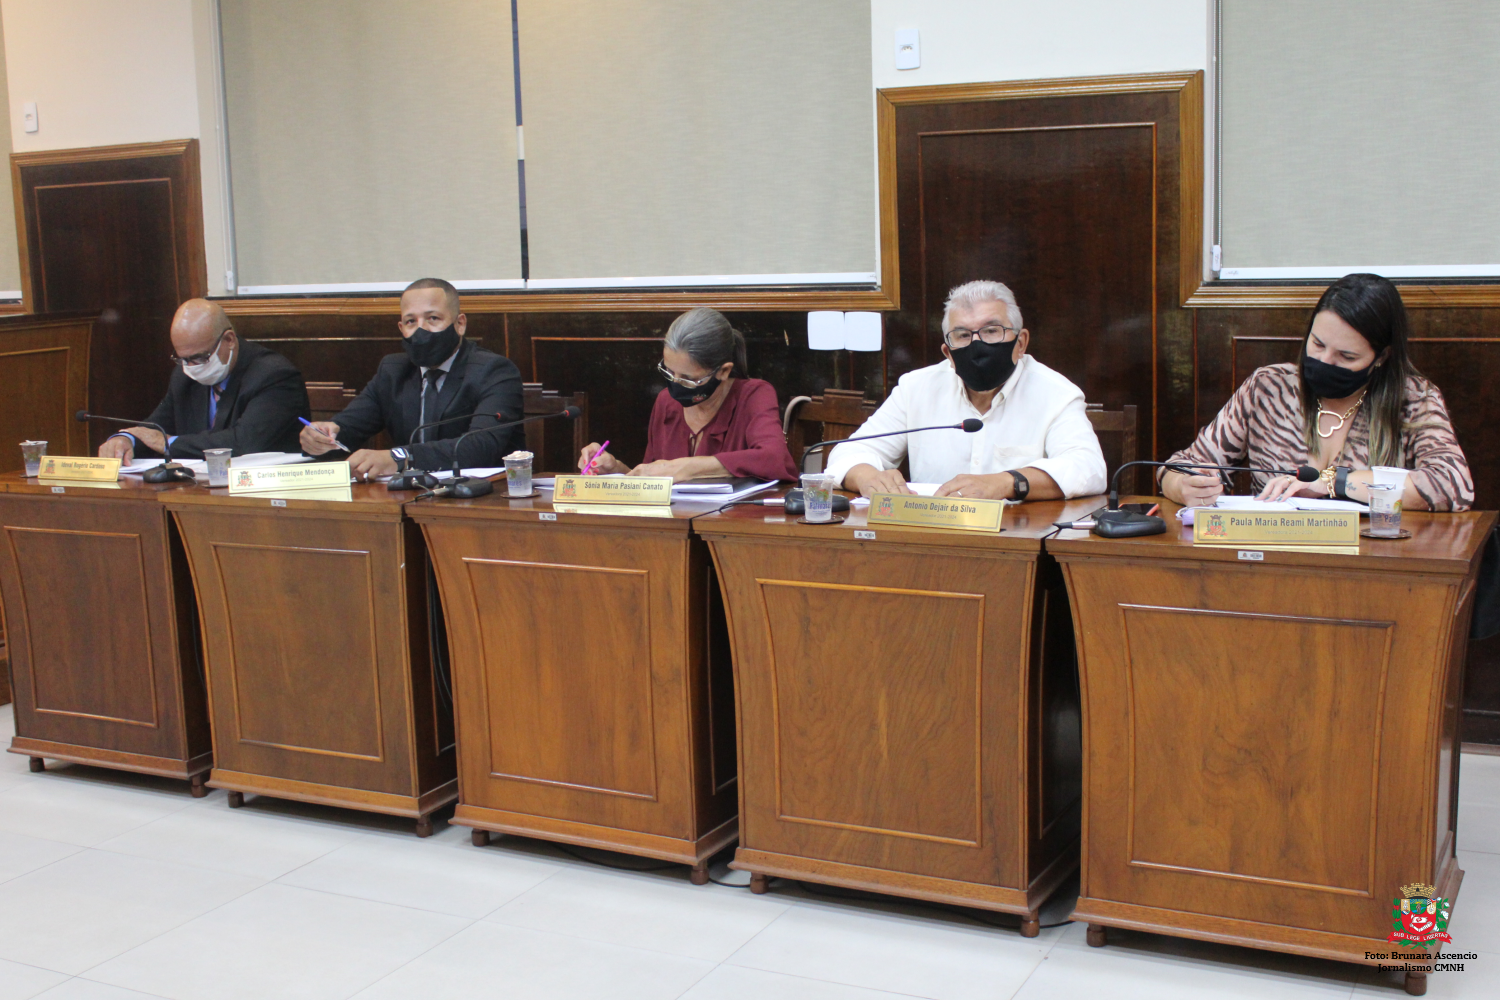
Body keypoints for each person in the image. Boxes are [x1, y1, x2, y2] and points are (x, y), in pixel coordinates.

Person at [1160, 272, 1473, 511]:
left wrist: (1333, 482)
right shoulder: (1270, 388)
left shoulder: (1414, 399)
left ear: (1381, 357)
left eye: (1346, 356)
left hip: (1371, 560)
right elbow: (1179, 466)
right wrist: (1183, 486)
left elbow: (1453, 486)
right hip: (1274, 555)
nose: (1324, 361)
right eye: (1318, 344)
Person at [824, 280, 1106, 501]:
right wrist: (868, 477)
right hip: (934, 536)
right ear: (948, 353)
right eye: (963, 335)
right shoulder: (917, 388)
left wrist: (1005, 483)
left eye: (992, 331)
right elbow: (848, 454)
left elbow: (1088, 468)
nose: (977, 345)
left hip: (1019, 538)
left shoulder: (1055, 393)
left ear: (1020, 343)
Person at [300, 278, 524, 480]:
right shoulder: (394, 371)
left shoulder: (494, 371)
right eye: (410, 322)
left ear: (460, 324)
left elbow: (480, 447)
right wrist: (323, 437)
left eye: (433, 318)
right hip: (410, 495)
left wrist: (400, 457)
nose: (421, 330)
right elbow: (350, 427)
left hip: (479, 495)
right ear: (401, 328)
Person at [578, 307, 797, 482]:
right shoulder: (666, 402)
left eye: (688, 378)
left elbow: (774, 459)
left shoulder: (753, 395)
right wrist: (615, 470)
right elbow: (654, 480)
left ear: (723, 371)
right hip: (673, 522)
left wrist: (688, 468)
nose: (675, 383)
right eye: (669, 372)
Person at [98, 298, 308, 462]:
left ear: (229, 340)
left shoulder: (274, 375)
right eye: (183, 359)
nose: (191, 367)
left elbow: (243, 442)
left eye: (199, 357)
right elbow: (156, 428)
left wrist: (169, 443)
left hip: (265, 488)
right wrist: (127, 439)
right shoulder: (184, 376)